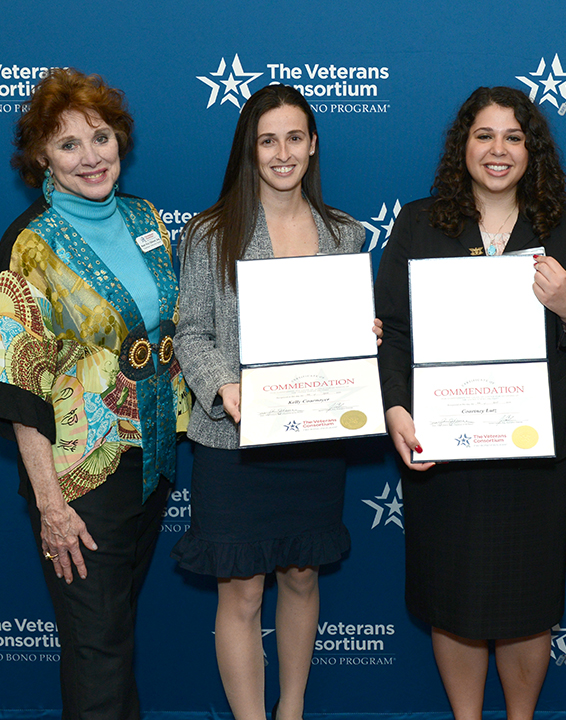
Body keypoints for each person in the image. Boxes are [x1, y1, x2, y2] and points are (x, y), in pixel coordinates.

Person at [375, 86, 566, 720]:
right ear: (463, 145)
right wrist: (396, 410)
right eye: (484, 135)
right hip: (443, 442)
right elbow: (392, 327)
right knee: (454, 595)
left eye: (513, 137)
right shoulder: (420, 222)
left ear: (532, 150)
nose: (498, 150)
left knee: (527, 597)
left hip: (534, 449)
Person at [0, 68, 190, 720]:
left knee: (110, 638)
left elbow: (182, 327)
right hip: (79, 484)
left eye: (100, 137)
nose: (91, 156)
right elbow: (20, 382)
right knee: (98, 650)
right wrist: (51, 506)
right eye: (68, 144)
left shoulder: (145, 217)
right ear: (41, 156)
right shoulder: (32, 245)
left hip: (150, 463)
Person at [171, 84, 370, 720]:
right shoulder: (208, 235)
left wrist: (367, 337)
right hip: (234, 444)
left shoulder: (346, 236)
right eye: (267, 140)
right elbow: (190, 332)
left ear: (313, 146)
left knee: (303, 575)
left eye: (294, 137)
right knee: (241, 591)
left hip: (314, 435)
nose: (282, 153)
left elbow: (354, 339)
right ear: (249, 150)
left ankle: (292, 710)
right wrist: (222, 384)